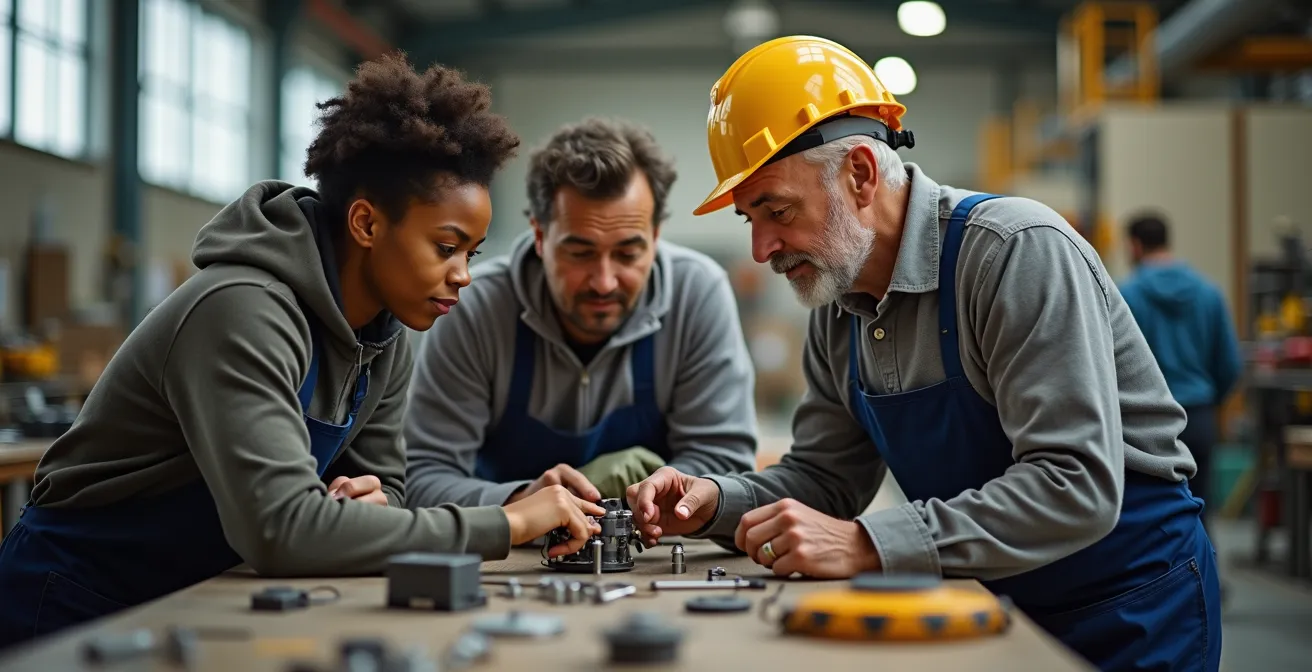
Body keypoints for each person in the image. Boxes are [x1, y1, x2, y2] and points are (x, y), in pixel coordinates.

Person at [626, 35, 1221, 672]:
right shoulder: (839, 305)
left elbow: (1075, 483)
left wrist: (867, 543)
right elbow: (828, 479)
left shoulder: (1013, 253)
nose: (761, 248)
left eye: (778, 210)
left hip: (1128, 607)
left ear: (860, 174)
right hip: (990, 601)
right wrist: (714, 501)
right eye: (752, 219)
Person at [0, 54, 604, 650]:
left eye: (471, 254)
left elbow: (389, 491)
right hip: (73, 598)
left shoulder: (385, 336)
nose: (463, 275)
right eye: (446, 247)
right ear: (366, 224)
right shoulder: (241, 310)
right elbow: (282, 529)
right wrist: (508, 522)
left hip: (193, 598)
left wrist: (365, 503)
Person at [404, 117, 758, 511]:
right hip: (509, 544)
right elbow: (423, 478)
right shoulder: (475, 308)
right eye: (580, 253)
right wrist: (524, 503)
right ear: (540, 236)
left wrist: (664, 493)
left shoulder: (696, 294)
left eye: (628, 253)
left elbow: (726, 468)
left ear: (656, 237)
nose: (604, 282)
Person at [1120, 213, 1243, 535]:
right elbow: (1231, 364)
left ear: (1135, 245)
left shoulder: (1125, 296)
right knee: (1201, 515)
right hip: (1200, 416)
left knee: (1152, 521)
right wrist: (1208, 400)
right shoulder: (1209, 292)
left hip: (1146, 424)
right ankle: (1205, 567)